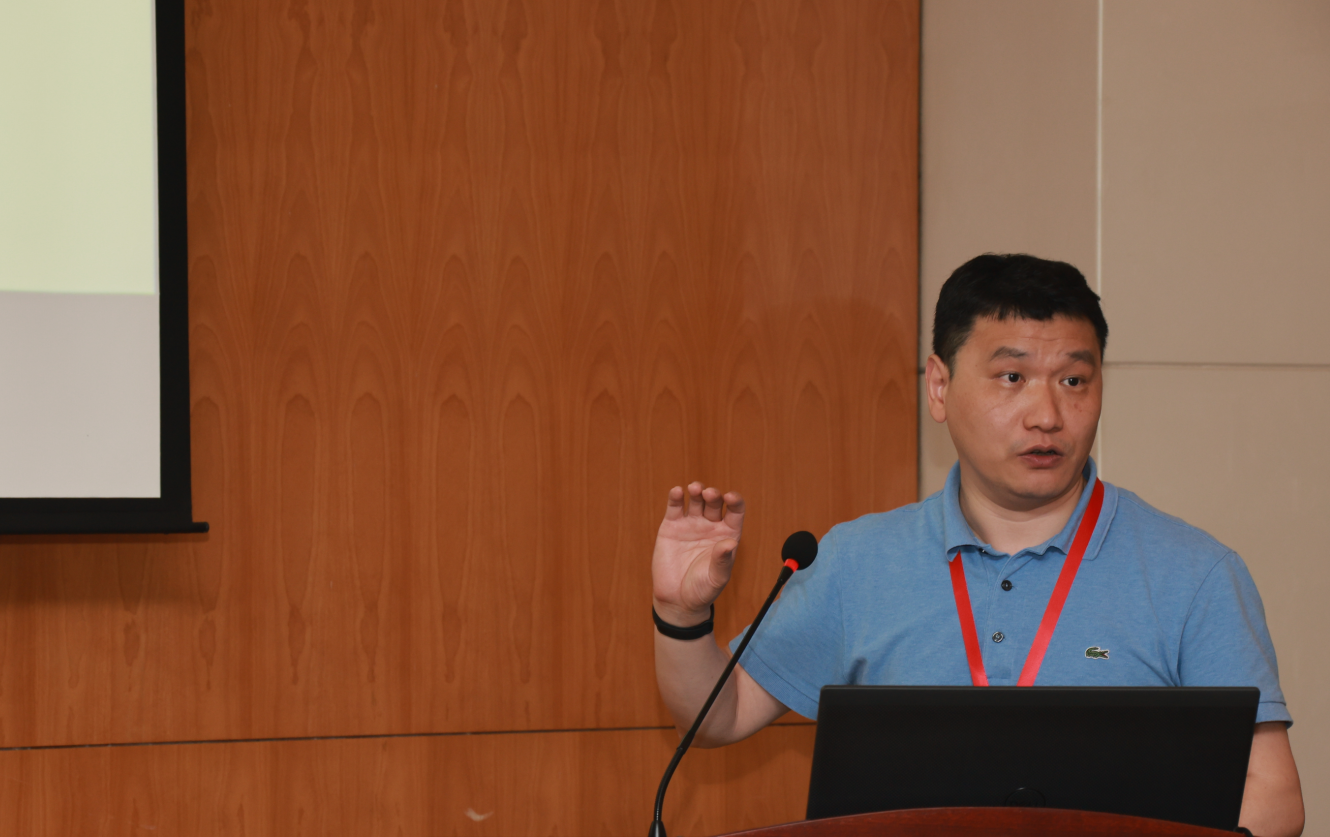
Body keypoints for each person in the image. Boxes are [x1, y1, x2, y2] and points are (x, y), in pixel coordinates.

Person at [651, 254, 1304, 837]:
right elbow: (716, 717)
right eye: (1012, 377)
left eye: (1074, 381)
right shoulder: (856, 562)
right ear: (939, 386)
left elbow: (1273, 797)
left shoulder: (1194, 573)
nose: (1047, 415)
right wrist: (681, 614)